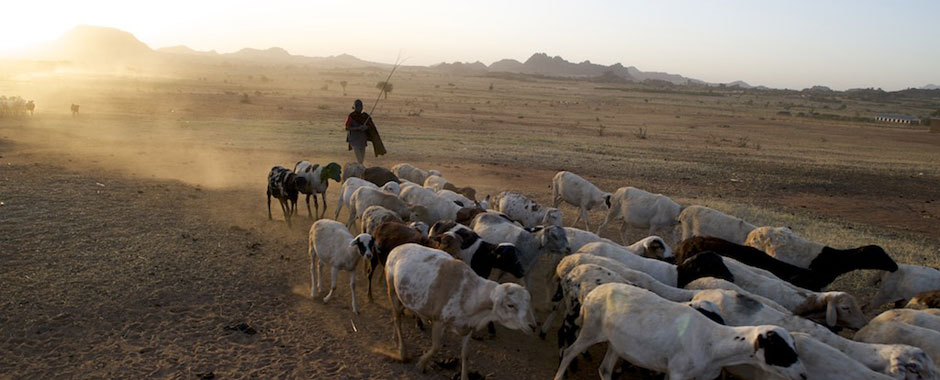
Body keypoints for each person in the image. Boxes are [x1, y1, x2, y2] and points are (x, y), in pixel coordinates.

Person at [345, 99, 386, 164]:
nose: (359, 108)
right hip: (354, 141)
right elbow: (347, 127)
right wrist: (358, 128)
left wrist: (366, 127)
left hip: (362, 140)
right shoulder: (351, 116)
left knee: (362, 159)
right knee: (360, 160)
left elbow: (371, 127)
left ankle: (360, 171)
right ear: (354, 107)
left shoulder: (365, 116)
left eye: (360, 106)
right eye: (357, 106)